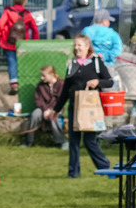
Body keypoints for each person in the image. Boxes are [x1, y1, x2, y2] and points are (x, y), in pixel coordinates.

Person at [46, 35, 113, 178]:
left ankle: (104, 166)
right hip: (74, 108)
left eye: (79, 45)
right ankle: (73, 173)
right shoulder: (72, 64)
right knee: (73, 141)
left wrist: (98, 82)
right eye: (75, 45)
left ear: (87, 47)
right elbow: (65, 89)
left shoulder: (96, 62)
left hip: (89, 109)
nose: (76, 48)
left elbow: (109, 81)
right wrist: (56, 110)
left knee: (89, 141)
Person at [0, 0, 39, 95]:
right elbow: (34, 28)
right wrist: (34, 41)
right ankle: (24, 84)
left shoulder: (8, 12)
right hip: (23, 43)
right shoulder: (27, 14)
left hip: (9, 43)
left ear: (14, 1)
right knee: (22, 63)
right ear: (24, 2)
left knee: (12, 62)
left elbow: (0, 24)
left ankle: (14, 84)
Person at [24, 65, 67, 149]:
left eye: (44, 76)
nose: (41, 78)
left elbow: (61, 100)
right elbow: (38, 100)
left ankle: (62, 141)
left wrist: (52, 110)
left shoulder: (61, 84)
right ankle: (28, 141)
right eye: (41, 75)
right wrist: (45, 110)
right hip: (43, 109)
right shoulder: (40, 86)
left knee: (53, 116)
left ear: (52, 74)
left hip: (57, 108)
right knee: (35, 114)